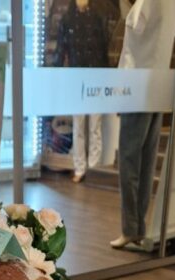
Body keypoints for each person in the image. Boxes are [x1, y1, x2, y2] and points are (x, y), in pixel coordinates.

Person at [111, 0, 175, 249]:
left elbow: (135, 26)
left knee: (130, 160)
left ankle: (131, 228)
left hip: (138, 87)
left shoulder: (148, 4)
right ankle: (137, 226)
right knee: (146, 162)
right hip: (156, 86)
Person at [55, 0, 110, 183]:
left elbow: (103, 50)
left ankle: (93, 167)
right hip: (76, 77)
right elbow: (61, 50)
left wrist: (106, 78)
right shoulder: (67, 20)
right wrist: (55, 75)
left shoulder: (97, 17)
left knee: (95, 125)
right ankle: (80, 167)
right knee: (78, 125)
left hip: (96, 77)